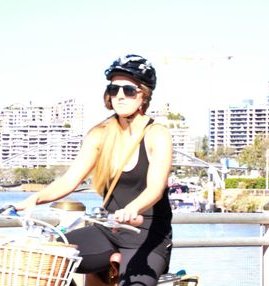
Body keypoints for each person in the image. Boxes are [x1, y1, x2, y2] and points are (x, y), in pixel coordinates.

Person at [14, 54, 173, 286]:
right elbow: (70, 180)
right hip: (107, 231)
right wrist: (35, 198)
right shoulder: (100, 133)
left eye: (129, 90)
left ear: (144, 95)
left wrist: (132, 208)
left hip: (146, 234)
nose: (119, 95)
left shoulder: (156, 134)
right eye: (114, 88)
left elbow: (156, 188)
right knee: (44, 260)